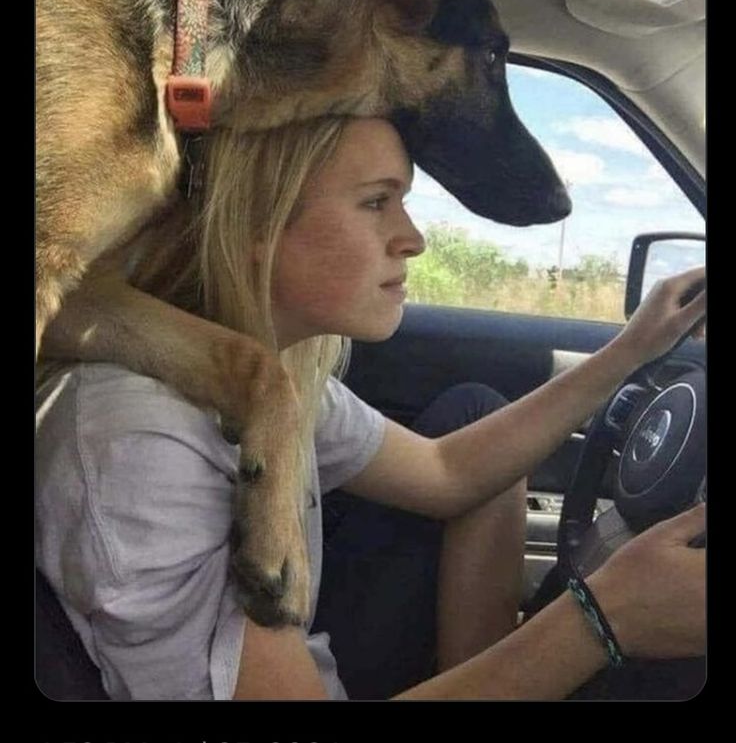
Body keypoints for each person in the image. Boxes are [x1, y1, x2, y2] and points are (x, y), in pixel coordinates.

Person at [35, 116, 706, 701]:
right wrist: (603, 616)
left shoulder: (265, 374)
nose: (413, 237)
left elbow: (447, 471)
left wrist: (633, 346)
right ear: (257, 222)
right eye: (377, 201)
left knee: (472, 410)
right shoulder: (142, 443)